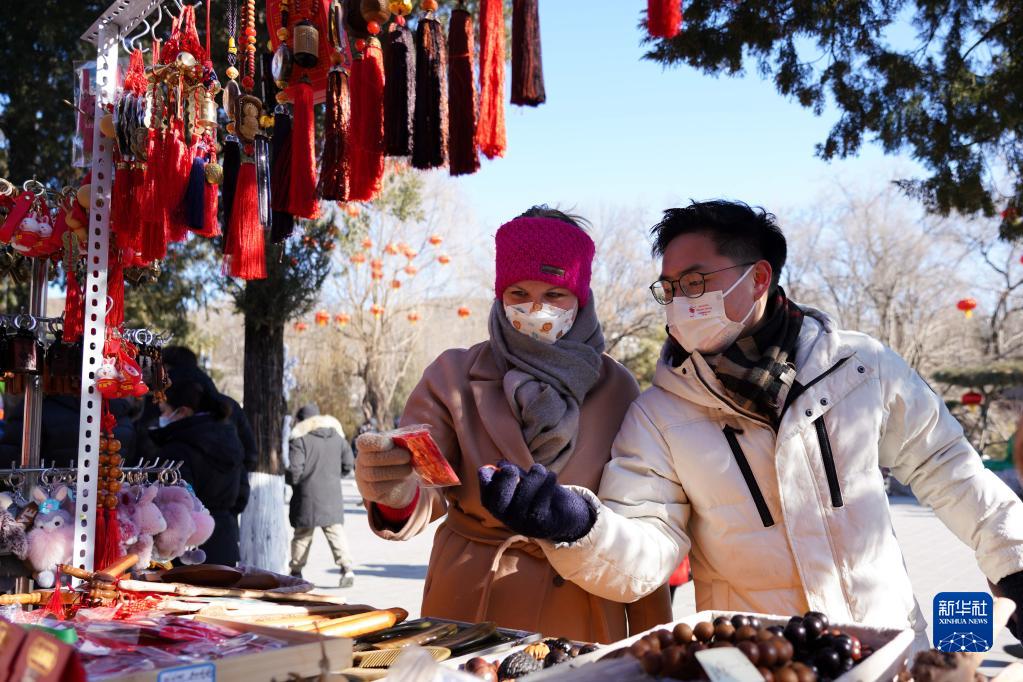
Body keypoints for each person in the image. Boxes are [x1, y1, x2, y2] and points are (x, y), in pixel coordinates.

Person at [478, 200, 1023, 647]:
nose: (679, 300)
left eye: (695, 282)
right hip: (756, 657)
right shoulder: (659, 414)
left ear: (758, 277)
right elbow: (648, 550)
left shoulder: (861, 368)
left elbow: (948, 468)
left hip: (882, 648)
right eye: (669, 288)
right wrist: (577, 527)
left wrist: (1014, 563)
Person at [355, 207, 672, 643]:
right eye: (519, 292)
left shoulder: (617, 386)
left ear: (581, 297)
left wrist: (652, 638)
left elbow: (638, 519)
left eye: (555, 294)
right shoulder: (452, 375)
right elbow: (426, 485)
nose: (536, 309)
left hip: (579, 600)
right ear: (499, 294)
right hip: (471, 601)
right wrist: (393, 490)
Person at [151, 366, 245, 566]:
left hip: (184, 550)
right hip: (225, 543)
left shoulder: (177, 448)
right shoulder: (230, 439)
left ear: (183, 411)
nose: (162, 416)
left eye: (165, 410)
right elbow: (242, 495)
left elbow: (176, 502)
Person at [160, 346, 258, 516]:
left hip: (189, 521)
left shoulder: (180, 438)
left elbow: (247, 457)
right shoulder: (225, 407)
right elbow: (248, 457)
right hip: (222, 520)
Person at [286, 403, 356, 587]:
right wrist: (334, 476)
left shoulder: (300, 439)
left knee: (302, 536)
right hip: (332, 495)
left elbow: (295, 471)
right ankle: (347, 569)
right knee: (335, 532)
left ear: (301, 420)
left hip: (306, 496)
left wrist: (289, 479)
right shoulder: (337, 437)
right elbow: (349, 463)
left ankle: (296, 572)